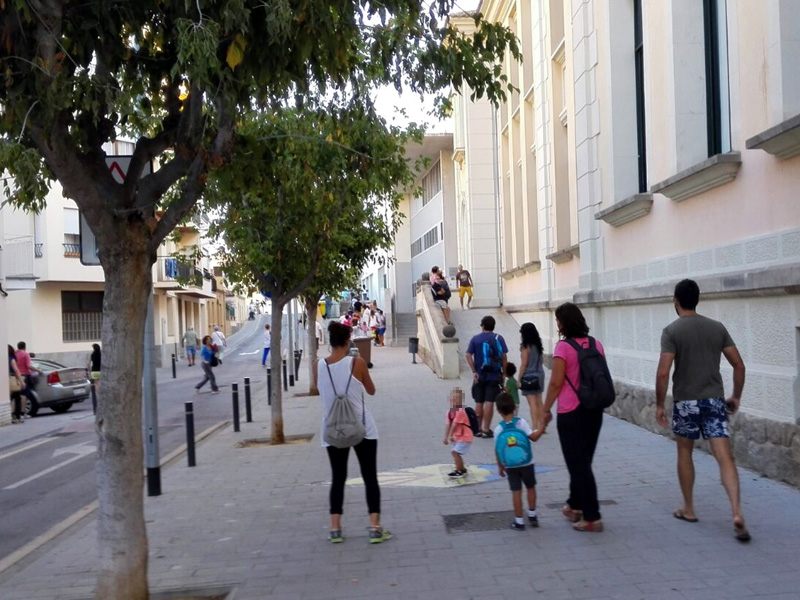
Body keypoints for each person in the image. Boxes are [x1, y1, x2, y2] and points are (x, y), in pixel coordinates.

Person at [655, 279, 750, 542]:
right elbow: (739, 366)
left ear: (676, 301)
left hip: (686, 402)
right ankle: (737, 511)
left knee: (685, 452)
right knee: (725, 457)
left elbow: (664, 372)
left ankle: (688, 509)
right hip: (714, 401)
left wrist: (659, 404)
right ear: (697, 299)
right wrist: (736, 397)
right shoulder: (716, 328)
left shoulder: (671, 331)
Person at [313, 322, 391, 544]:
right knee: (369, 477)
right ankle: (375, 528)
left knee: (338, 478)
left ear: (330, 341)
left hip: (332, 428)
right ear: (348, 341)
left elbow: (320, 390)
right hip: (363, 428)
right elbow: (371, 390)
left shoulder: (317, 365)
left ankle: (335, 529)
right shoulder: (357, 363)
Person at [542, 303, 606, 533]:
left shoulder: (563, 348)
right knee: (582, 462)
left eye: (558, 320)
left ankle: (592, 517)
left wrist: (545, 407)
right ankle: (575, 505)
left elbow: (556, 382)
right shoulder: (595, 344)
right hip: (594, 410)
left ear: (563, 323)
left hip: (571, 412)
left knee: (578, 465)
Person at [495, 392, 543, 530]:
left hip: (510, 465)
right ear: (514, 407)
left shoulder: (499, 429)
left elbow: (498, 450)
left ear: (498, 411)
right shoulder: (522, 423)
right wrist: (543, 426)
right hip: (527, 462)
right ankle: (532, 515)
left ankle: (519, 521)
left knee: (516, 491)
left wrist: (500, 466)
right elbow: (533, 437)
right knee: (530, 487)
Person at [466, 315, 509, 438]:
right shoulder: (499, 338)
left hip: (479, 375)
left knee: (479, 401)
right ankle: (486, 429)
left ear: (483, 325)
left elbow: (468, 355)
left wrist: (474, 371)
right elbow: (504, 358)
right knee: (489, 401)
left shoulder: (475, 339)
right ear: (493, 326)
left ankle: (477, 428)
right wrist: (504, 374)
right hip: (494, 375)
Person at [519, 322, 546, 431]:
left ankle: (535, 427)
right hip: (540, 375)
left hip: (529, 376)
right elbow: (541, 360)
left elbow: (524, 364)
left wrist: (519, 378)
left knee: (532, 403)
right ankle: (542, 426)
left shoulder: (526, 347)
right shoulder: (538, 345)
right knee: (539, 401)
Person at [443, 387, 474, 478]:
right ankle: (462, 469)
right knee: (455, 453)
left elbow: (454, 425)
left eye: (457, 399)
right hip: (458, 437)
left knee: (455, 452)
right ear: (449, 399)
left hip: (465, 436)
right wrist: (445, 437)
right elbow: (448, 424)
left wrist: (450, 435)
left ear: (461, 401)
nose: (455, 401)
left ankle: (459, 470)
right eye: (453, 399)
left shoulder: (460, 411)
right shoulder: (449, 412)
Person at [15, 341, 43, 409]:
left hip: (16, 376)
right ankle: (22, 412)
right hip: (25, 376)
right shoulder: (25, 354)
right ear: (25, 347)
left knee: (16, 395)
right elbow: (29, 366)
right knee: (24, 394)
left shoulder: (14, 354)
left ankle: (16, 413)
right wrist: (38, 370)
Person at [8, 345, 26, 424]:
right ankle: (17, 416)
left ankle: (13, 415)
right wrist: (22, 381)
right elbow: (16, 370)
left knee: (11, 398)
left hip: (5, 380)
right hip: (12, 380)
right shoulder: (11, 359)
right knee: (17, 398)